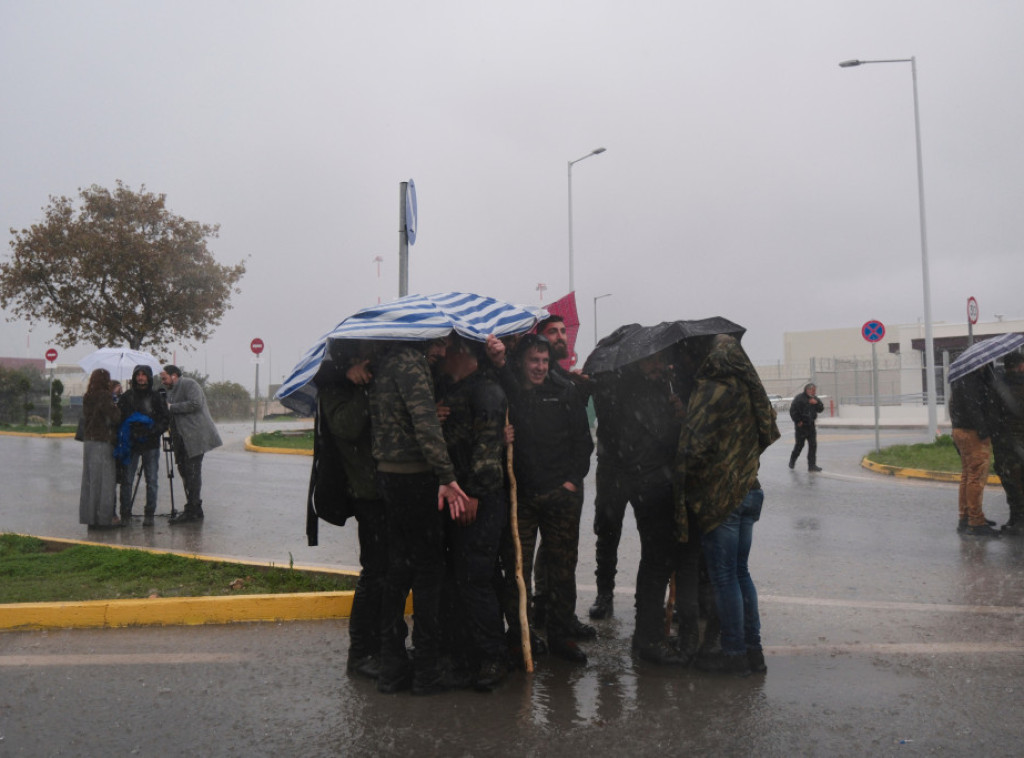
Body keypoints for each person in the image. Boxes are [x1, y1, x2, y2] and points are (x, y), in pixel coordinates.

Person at [369, 338, 470, 695]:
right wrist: (447, 476)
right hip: (414, 476)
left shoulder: (386, 362)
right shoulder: (412, 364)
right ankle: (426, 671)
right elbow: (426, 428)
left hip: (388, 474)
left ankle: (392, 667)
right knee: (428, 572)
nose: (442, 353)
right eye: (439, 344)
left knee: (397, 570)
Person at [675, 334, 780, 676]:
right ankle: (754, 651)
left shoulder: (712, 388)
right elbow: (767, 432)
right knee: (740, 573)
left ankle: (732, 652)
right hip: (750, 490)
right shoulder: (751, 388)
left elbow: (693, 447)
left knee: (724, 578)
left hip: (722, 499)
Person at [591, 350, 694, 664]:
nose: (658, 365)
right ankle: (647, 637)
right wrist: (677, 422)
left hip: (652, 482)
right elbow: (659, 437)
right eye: (651, 360)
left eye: (662, 360)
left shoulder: (665, 386)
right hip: (645, 483)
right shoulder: (631, 390)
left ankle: (647, 634)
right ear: (637, 361)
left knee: (657, 560)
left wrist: (678, 412)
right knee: (652, 561)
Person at [502, 334, 594, 664]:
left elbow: (583, 443)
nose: (540, 367)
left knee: (562, 569)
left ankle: (560, 637)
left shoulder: (565, 392)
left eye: (544, 361)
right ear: (522, 362)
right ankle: (520, 636)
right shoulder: (510, 394)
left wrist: (571, 482)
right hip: (521, 497)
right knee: (518, 573)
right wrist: (502, 438)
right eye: (533, 361)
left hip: (560, 496)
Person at [309, 345, 388, 680]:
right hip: (366, 494)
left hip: (385, 490)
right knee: (374, 574)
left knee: (390, 575)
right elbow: (348, 427)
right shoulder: (335, 389)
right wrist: (363, 389)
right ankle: (360, 654)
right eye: (362, 357)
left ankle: (385, 647)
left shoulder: (358, 383)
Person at [435, 334, 510, 691]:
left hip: (479, 498)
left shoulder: (486, 390)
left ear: (464, 353)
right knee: (459, 576)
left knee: (476, 577)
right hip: (457, 494)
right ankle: (463, 652)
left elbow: (487, 446)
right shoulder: (453, 388)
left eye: (448, 349)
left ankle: (492, 657)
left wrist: (476, 495)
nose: (442, 356)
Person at [160, 365, 223, 524]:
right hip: (181, 439)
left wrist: (171, 407)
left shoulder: (190, 384)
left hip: (195, 437)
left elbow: (195, 403)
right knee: (185, 471)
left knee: (192, 472)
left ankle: (192, 508)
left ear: (174, 375)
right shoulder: (170, 391)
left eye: (165, 378)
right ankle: (195, 508)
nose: (163, 381)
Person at [949, 368, 1000, 538]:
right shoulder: (971, 381)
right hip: (972, 432)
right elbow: (974, 408)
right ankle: (976, 521)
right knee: (976, 477)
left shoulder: (960, 380)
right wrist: (984, 430)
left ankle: (966, 517)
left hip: (960, 429)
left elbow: (954, 406)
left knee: (968, 475)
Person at [117, 365, 169, 526]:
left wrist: (153, 431)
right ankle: (125, 513)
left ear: (148, 377)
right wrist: (130, 431)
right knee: (127, 480)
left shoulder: (156, 397)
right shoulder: (126, 397)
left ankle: (149, 514)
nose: (141, 378)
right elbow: (120, 418)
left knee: (152, 481)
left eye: (143, 375)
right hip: (131, 444)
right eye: (138, 375)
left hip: (151, 444)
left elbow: (164, 419)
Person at [79, 368, 121, 528]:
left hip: (89, 441)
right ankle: (103, 520)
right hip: (103, 442)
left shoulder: (88, 396)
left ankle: (91, 518)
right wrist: (116, 405)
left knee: (90, 481)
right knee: (105, 481)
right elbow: (115, 417)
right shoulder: (105, 396)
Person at [991, 353, 1024, 535]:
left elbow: (993, 414)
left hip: (1004, 443)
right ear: (1021, 366)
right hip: (1019, 443)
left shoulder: (998, 386)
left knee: (1011, 482)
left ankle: (1015, 518)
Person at [788, 383, 824, 471]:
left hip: (811, 426)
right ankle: (792, 460)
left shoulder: (814, 399)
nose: (814, 392)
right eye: (813, 390)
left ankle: (812, 465)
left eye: (815, 390)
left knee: (813, 445)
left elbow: (821, 409)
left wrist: (816, 403)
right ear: (808, 389)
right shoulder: (799, 398)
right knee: (799, 445)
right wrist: (798, 421)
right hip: (801, 427)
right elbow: (793, 410)